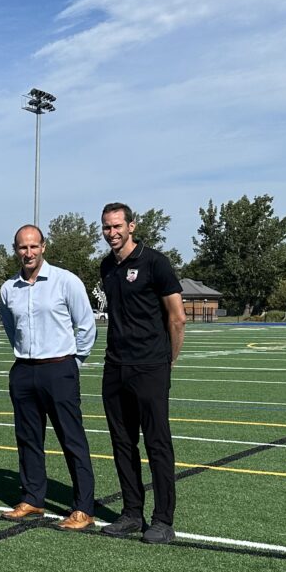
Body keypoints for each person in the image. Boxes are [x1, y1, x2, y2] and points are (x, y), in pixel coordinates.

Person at [0, 224, 98, 530]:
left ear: (43, 247)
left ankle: (83, 508)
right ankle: (33, 498)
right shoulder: (8, 288)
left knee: (71, 438)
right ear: (16, 250)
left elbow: (86, 325)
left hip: (59, 369)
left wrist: (74, 362)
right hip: (24, 370)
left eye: (33, 246)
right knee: (28, 438)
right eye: (22, 247)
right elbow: (12, 328)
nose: (28, 252)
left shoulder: (66, 281)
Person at [98, 202, 186, 544]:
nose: (112, 233)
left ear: (131, 226)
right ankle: (132, 513)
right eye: (107, 227)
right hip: (115, 367)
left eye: (117, 226)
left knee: (157, 443)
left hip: (150, 367)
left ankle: (163, 520)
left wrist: (167, 361)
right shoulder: (107, 266)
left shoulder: (155, 262)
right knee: (122, 443)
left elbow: (177, 317)